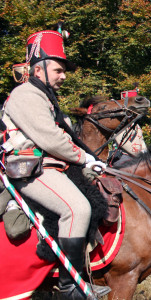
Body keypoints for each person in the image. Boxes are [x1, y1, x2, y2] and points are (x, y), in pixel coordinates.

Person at [2, 30, 110, 298]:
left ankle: (81, 274)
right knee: (77, 209)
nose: (63, 76)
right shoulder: (26, 94)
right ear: (39, 70)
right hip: (28, 169)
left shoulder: (45, 97)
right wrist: (85, 158)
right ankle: (69, 287)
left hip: (48, 166)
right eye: (58, 70)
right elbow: (50, 138)